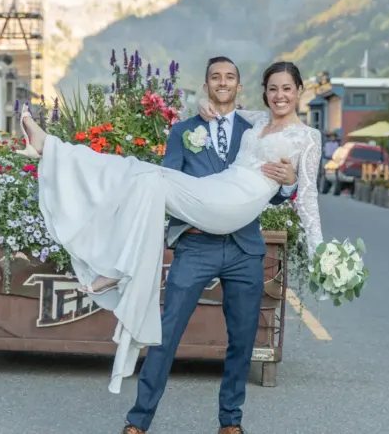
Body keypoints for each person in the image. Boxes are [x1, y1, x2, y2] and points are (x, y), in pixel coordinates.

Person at [19, 60, 324, 401]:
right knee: (142, 175)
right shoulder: (258, 120)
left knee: (149, 178)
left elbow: (307, 198)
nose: (279, 95)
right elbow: (225, 110)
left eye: (286, 88)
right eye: (272, 88)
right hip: (217, 190)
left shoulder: (308, 137)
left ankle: (52, 153)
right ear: (264, 93)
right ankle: (57, 159)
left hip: (235, 205)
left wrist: (320, 257)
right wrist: (200, 103)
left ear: (299, 91)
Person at [124, 57, 297, 434]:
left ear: (239, 86)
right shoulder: (183, 130)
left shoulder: (256, 131)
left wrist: (288, 182)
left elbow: (272, 195)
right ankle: (138, 421)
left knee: (242, 339)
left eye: (230, 77)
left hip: (243, 248)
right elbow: (166, 185)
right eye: (216, 77)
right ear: (206, 86)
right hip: (195, 245)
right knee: (165, 334)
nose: (223, 83)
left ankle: (230, 423)